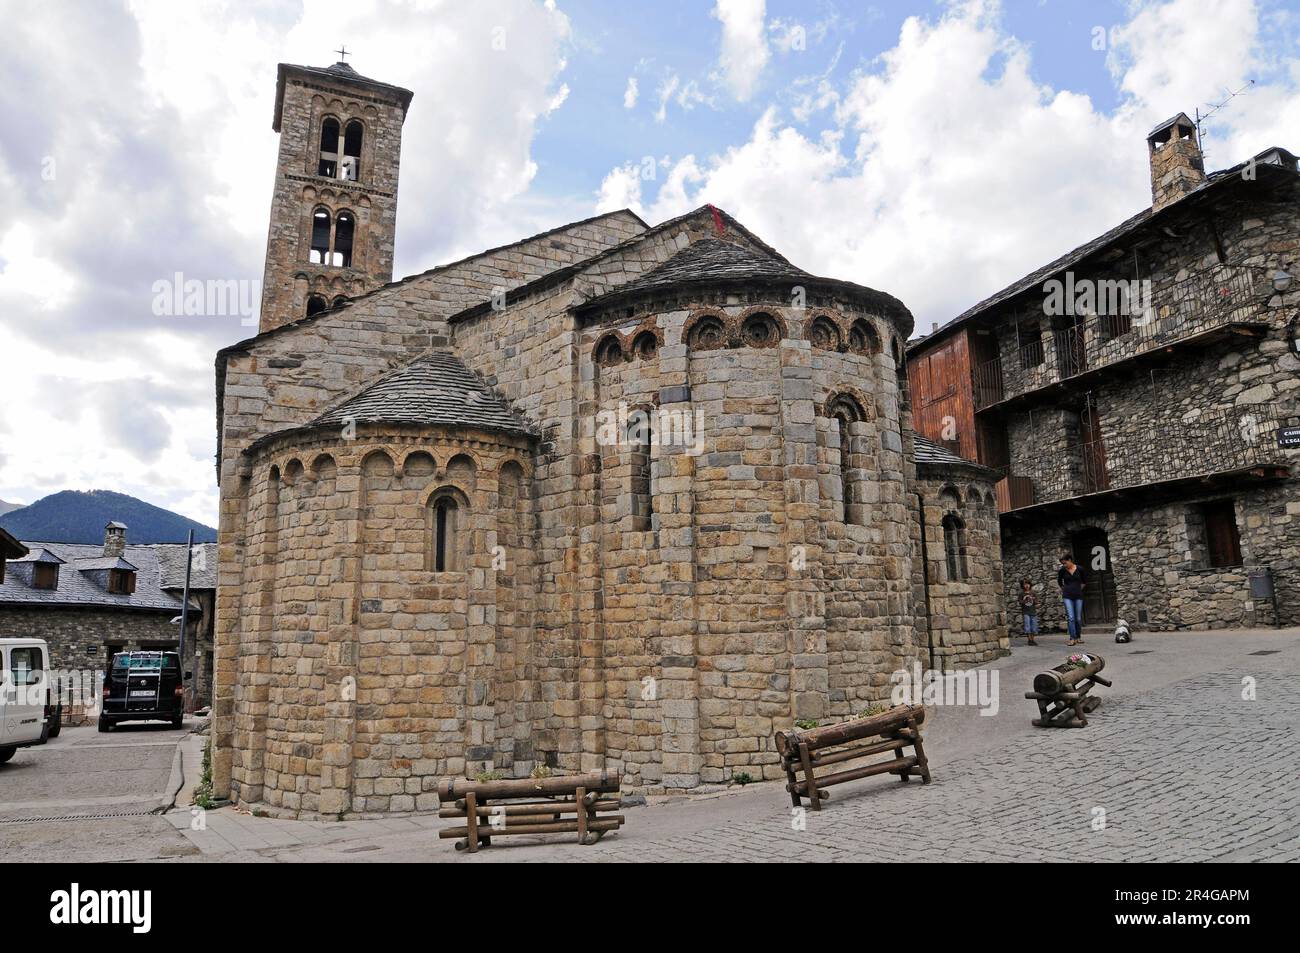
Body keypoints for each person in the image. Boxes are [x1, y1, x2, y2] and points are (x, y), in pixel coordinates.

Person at [1058, 554, 1086, 645]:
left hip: (1078, 596)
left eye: (1065, 563)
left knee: (1078, 618)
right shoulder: (1062, 570)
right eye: (1063, 564)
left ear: (1070, 560)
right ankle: (1072, 638)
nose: (1064, 565)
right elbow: (1059, 582)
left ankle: (1078, 637)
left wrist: (1077, 590)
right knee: (1071, 618)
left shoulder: (1080, 569)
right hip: (1067, 596)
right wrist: (1066, 589)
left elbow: (1084, 582)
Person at [1019, 579, 1038, 645]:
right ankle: (1029, 640)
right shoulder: (1021, 594)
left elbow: (1036, 602)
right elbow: (1020, 602)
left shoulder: (1033, 593)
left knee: (1034, 626)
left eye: (1028, 584)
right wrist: (1025, 600)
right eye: (1025, 584)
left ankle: (1032, 640)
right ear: (1022, 585)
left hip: (1033, 612)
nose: (1027, 585)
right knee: (1027, 626)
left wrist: (1033, 599)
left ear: (1030, 585)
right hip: (1025, 612)